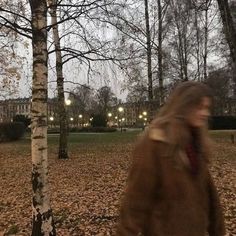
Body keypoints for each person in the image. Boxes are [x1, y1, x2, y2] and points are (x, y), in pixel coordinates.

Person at [116, 81, 225, 236]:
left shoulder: (195, 143)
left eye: (207, 108)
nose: (205, 113)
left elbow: (210, 197)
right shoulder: (155, 143)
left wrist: (218, 231)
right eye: (199, 107)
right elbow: (135, 200)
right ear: (184, 106)